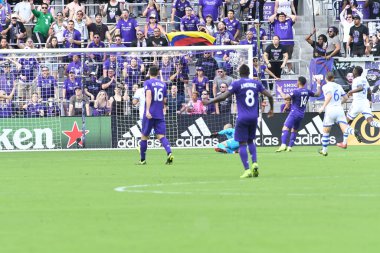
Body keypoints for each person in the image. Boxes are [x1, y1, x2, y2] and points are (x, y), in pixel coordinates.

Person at [203, 64, 274, 178]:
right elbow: (270, 96)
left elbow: (223, 97)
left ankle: (247, 170)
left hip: (242, 117)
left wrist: (210, 101)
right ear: (249, 72)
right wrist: (271, 109)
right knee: (251, 141)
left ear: (239, 73)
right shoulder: (256, 83)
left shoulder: (236, 83)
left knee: (242, 144)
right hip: (254, 117)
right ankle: (255, 163)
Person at [317, 72, 362, 155]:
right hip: (339, 109)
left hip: (330, 110)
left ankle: (324, 150)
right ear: (333, 78)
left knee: (326, 131)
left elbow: (329, 96)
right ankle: (353, 132)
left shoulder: (325, 86)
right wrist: (339, 103)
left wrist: (323, 107)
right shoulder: (338, 86)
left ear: (326, 79)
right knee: (345, 128)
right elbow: (346, 97)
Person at [137, 66, 173, 165]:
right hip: (159, 114)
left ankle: (142, 160)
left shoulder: (147, 83)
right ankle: (169, 153)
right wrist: (163, 108)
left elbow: (148, 96)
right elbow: (165, 100)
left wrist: (148, 110)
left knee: (144, 136)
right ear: (158, 73)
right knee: (161, 136)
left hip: (150, 114)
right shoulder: (163, 84)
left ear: (149, 72)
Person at [275, 76, 322, 152]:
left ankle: (283, 145)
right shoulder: (307, 91)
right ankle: (290, 147)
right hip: (301, 114)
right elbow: (318, 94)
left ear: (299, 82)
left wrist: (280, 91)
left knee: (285, 128)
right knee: (294, 130)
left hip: (294, 113)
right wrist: (318, 84)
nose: (296, 82)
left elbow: (285, 97)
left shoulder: (296, 91)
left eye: (297, 81)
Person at [345, 66, 380, 140]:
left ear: (355, 72)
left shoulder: (356, 80)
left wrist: (350, 91)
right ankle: (344, 142)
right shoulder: (364, 79)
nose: (352, 71)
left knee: (345, 123)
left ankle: (351, 135)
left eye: (353, 70)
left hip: (357, 104)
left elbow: (360, 88)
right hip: (365, 103)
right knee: (371, 122)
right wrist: (370, 101)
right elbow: (370, 92)